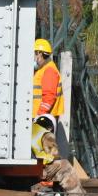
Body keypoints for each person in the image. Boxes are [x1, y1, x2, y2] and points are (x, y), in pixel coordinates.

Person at [31, 38, 65, 175]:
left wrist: (39, 116)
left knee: (47, 150)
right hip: (43, 117)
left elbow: (49, 97)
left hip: (44, 118)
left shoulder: (49, 71)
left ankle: (50, 176)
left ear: (40, 54)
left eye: (34, 53)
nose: (33, 57)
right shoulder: (44, 69)